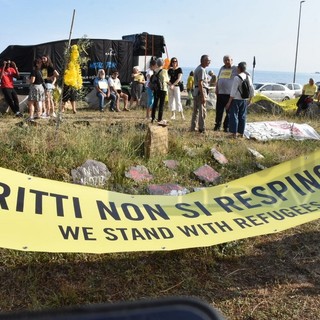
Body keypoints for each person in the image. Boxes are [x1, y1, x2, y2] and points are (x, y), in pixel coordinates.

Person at [225, 62, 254, 139]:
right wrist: (250, 99)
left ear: (239, 68)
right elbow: (251, 89)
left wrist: (229, 102)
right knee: (242, 116)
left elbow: (233, 91)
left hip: (236, 99)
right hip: (244, 99)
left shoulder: (237, 78)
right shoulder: (248, 77)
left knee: (234, 115)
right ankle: (241, 133)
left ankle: (233, 133)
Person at [214, 55, 238, 132]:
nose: (226, 62)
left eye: (228, 60)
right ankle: (217, 125)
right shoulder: (222, 68)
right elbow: (218, 79)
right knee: (219, 111)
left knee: (229, 112)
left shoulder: (235, 68)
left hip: (229, 94)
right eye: (225, 60)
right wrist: (216, 88)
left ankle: (226, 126)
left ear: (232, 60)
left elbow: (245, 74)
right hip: (220, 93)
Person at [190, 55, 211, 133]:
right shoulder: (201, 69)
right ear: (202, 61)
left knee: (196, 110)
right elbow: (200, 83)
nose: (209, 62)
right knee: (202, 111)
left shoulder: (198, 68)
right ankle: (201, 128)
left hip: (196, 91)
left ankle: (193, 127)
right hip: (200, 91)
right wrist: (203, 96)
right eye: (208, 60)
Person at [151, 58, 169, 124]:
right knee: (161, 104)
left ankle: (153, 118)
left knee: (155, 103)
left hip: (156, 89)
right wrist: (172, 85)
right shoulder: (164, 71)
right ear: (163, 63)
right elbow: (166, 80)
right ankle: (159, 119)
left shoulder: (155, 70)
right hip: (163, 89)